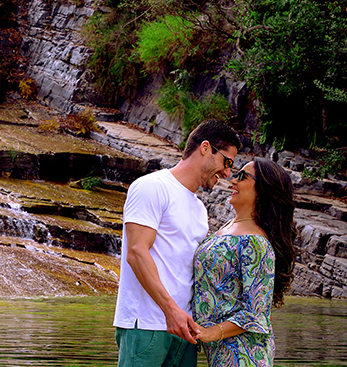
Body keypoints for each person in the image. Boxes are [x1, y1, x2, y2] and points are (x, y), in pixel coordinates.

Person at [114, 119, 242, 367]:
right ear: (205, 148)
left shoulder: (199, 209)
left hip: (185, 329)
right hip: (147, 324)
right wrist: (169, 310)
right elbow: (137, 252)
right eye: (227, 162)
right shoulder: (152, 187)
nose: (227, 173)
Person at [192, 158, 297, 367]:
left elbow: (255, 313)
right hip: (221, 352)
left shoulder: (257, 243)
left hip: (244, 355)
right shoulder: (228, 227)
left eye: (242, 176)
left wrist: (209, 333)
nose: (233, 181)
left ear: (263, 189)